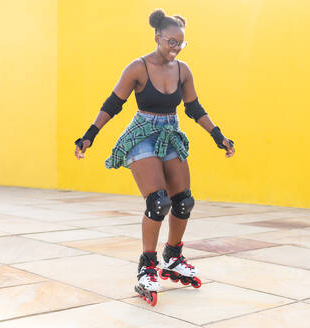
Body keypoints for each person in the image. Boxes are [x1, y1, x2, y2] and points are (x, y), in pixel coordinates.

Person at [74, 8, 235, 306]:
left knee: (184, 201)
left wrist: (218, 136)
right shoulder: (138, 67)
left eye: (180, 43)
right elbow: (113, 103)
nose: (175, 48)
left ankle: (172, 256)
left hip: (170, 132)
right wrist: (89, 136)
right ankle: (147, 265)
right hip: (142, 133)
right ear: (157, 37)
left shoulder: (183, 70)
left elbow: (194, 108)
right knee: (157, 202)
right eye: (171, 42)